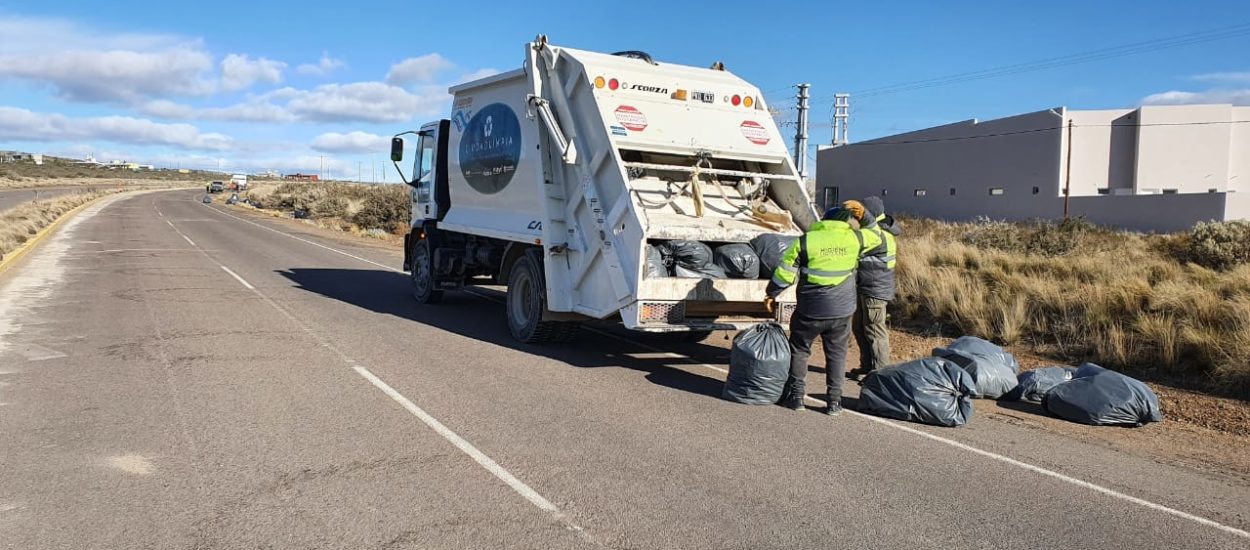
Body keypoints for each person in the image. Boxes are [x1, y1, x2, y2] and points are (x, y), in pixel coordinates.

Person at [765, 203, 880, 415]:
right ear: (845, 222)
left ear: (823, 221)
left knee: (800, 350)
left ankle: (796, 398)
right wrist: (866, 216)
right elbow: (876, 235)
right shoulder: (855, 239)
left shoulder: (805, 241)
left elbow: (785, 274)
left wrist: (771, 293)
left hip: (810, 310)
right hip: (842, 311)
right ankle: (834, 403)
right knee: (837, 355)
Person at [847, 196, 900, 381]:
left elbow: (855, 247)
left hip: (875, 290)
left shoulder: (880, 234)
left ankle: (879, 372)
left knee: (875, 330)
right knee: (859, 327)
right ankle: (867, 366)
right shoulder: (875, 231)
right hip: (866, 286)